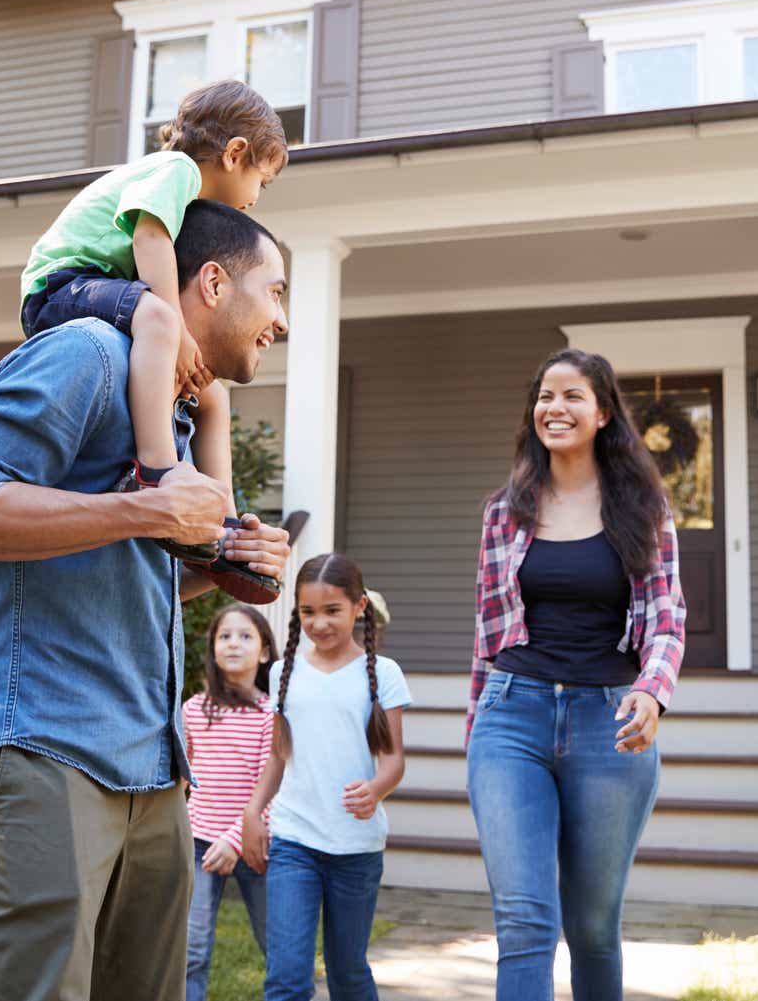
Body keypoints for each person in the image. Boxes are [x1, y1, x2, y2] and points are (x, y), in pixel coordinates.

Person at [0, 200, 292, 1001]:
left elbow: (127, 565)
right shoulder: (85, 353)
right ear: (215, 281)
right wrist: (147, 509)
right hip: (49, 747)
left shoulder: (173, 410)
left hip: (156, 769)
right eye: (276, 292)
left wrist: (223, 566)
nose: (282, 320)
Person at [465, 348, 686, 1001]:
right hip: (512, 717)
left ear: (603, 412)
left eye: (571, 396)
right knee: (525, 922)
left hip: (608, 724)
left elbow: (668, 618)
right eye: (544, 395)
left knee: (592, 928)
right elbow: (485, 635)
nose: (554, 408)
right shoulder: (504, 511)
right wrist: (476, 734)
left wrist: (653, 691)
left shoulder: (642, 509)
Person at [19, 79, 288, 602]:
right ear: (235, 154)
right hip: (61, 282)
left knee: (213, 394)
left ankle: (225, 528)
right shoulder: (175, 171)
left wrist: (220, 554)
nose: (256, 198)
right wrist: (176, 326)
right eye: (263, 180)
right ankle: (158, 471)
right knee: (158, 320)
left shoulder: (181, 192)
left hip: (92, 287)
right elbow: (148, 238)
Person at [241, 554, 411, 1001]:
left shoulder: (384, 674)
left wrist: (375, 789)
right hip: (294, 841)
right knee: (286, 978)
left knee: (348, 973)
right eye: (307, 612)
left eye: (332, 610)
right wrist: (253, 812)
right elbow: (279, 756)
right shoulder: (283, 672)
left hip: (356, 848)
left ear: (359, 608)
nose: (319, 623)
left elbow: (393, 762)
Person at [183, 604, 276, 1001]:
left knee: (278, 944)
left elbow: (272, 789)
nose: (233, 644)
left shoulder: (271, 714)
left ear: (265, 651)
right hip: (199, 844)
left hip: (256, 845)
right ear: (213, 648)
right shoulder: (192, 710)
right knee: (191, 949)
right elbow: (181, 781)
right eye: (224, 636)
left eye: (245, 636)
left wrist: (235, 840)